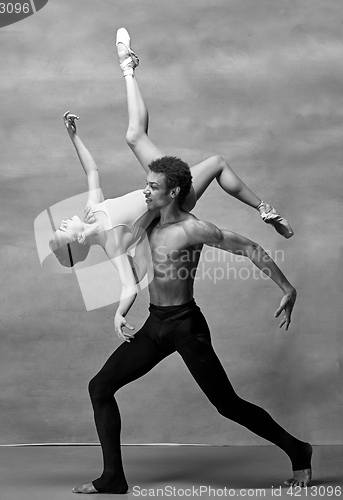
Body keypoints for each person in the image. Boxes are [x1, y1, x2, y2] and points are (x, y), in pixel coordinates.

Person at [71, 156, 312, 495]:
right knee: (100, 387)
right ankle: (113, 478)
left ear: (174, 192)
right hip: (156, 325)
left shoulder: (192, 228)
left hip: (186, 327)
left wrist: (288, 288)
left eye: (153, 187)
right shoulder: (148, 222)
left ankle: (298, 449)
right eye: (147, 183)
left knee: (227, 405)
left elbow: (249, 248)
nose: (146, 191)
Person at [50, 28, 293, 340]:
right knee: (214, 161)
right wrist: (119, 314)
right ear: (76, 242)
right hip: (173, 198)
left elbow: (92, 170)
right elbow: (128, 286)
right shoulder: (113, 246)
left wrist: (73, 136)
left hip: (158, 186)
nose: (65, 219)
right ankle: (264, 209)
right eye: (63, 228)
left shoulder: (91, 211)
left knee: (134, 137)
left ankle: (127, 67)